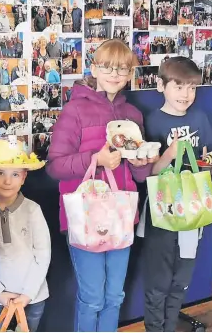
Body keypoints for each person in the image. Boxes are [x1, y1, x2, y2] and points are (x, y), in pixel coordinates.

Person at [45, 39, 155, 332]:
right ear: (94, 68)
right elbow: (55, 166)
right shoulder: (75, 111)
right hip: (86, 217)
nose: (115, 74)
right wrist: (97, 159)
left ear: (131, 73)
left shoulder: (133, 115)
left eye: (122, 68)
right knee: (93, 297)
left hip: (121, 216)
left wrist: (143, 161)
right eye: (107, 67)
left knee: (114, 297)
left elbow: (140, 177)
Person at [141, 56, 212, 332]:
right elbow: (149, 174)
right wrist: (169, 153)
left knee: (181, 279)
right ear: (161, 86)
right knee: (159, 280)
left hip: (193, 210)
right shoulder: (152, 121)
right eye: (179, 86)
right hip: (162, 214)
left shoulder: (200, 118)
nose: (186, 94)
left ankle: (171, 326)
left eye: (192, 88)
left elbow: (207, 164)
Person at [0, 137, 51, 332]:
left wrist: (28, 295)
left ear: (23, 177)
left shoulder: (33, 210)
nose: (7, 181)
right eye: (0, 173)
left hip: (32, 298)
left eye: (14, 174)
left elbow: (43, 254)